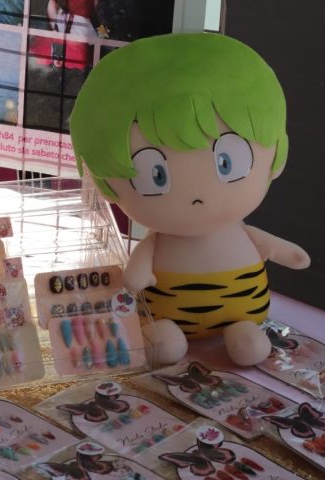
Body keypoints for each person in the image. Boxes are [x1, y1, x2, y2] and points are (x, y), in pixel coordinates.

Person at [69, 33, 310, 367]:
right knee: (166, 345)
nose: (198, 197)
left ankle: (241, 333)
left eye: (227, 163)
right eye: (155, 174)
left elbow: (286, 253)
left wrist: (287, 252)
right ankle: (167, 335)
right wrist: (134, 277)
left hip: (240, 312)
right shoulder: (158, 242)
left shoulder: (236, 233)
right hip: (170, 313)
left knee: (248, 344)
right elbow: (135, 278)